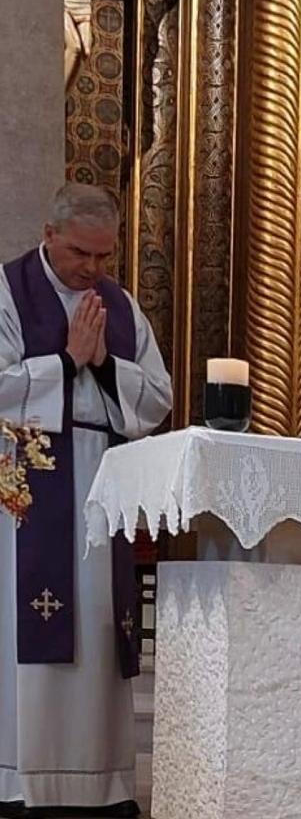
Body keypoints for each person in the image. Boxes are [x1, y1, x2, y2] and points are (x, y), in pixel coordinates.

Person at [0, 183, 173, 818]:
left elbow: (157, 397)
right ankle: (28, 781)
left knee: (99, 634)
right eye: (80, 253)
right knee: (36, 624)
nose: (93, 269)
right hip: (32, 485)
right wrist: (64, 360)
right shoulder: (7, 292)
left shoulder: (122, 308)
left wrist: (102, 365)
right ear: (49, 233)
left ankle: (100, 783)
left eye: (105, 256)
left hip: (104, 485)